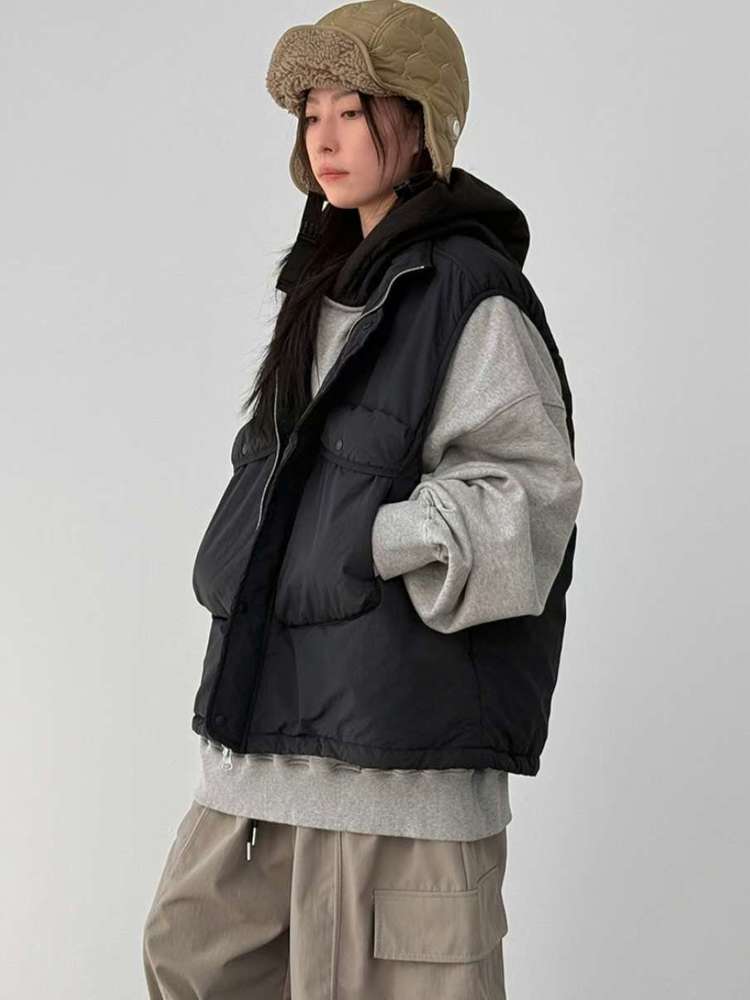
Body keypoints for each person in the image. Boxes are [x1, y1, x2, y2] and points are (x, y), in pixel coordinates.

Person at [142, 2, 583, 997]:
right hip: (266, 750)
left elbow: (530, 496)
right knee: (190, 953)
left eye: (353, 111)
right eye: (312, 115)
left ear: (422, 125)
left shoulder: (471, 292)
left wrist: (383, 539)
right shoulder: (321, 286)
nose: (325, 138)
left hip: (398, 762)